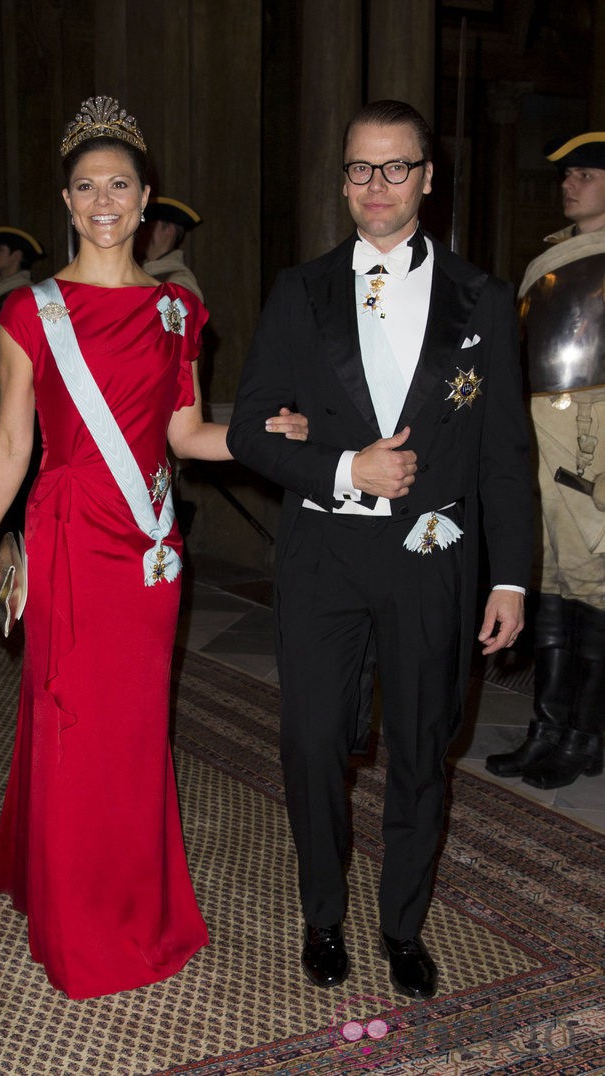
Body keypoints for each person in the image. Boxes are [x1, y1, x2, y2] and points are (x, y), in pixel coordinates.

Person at [0, 95, 306, 999]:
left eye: (119, 184)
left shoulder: (176, 312)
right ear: (67, 202)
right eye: (87, 186)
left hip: (148, 547)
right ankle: (75, 917)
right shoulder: (29, 312)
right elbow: (13, 442)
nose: (104, 199)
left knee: (133, 728)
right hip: (71, 532)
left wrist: (272, 440)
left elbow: (188, 434)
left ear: (145, 196)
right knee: (75, 721)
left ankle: (130, 901)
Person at [228, 100, 532, 1000]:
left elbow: (506, 454)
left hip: (434, 560)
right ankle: (323, 915)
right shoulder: (300, 289)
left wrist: (509, 575)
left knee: (422, 745)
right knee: (313, 743)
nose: (375, 187)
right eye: (359, 169)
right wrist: (342, 465)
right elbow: (248, 428)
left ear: (428, 180)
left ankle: (403, 925)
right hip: (324, 553)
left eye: (395, 168)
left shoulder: (483, 298)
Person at [486, 131, 605, 790]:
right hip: (547, 434)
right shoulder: (555, 261)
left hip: (594, 439)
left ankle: (578, 736)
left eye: (585, 174)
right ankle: (552, 731)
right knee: (557, 584)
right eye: (567, 174)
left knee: (589, 588)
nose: (569, 183)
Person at [0, 226, 45, 441]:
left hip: (9, 378)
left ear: (17, 255)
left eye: (0, 249)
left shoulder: (23, 293)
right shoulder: (1, 290)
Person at [140, 196, 204, 300]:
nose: (143, 233)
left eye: (150, 227)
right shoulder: (137, 275)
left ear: (169, 230)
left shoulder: (180, 282)